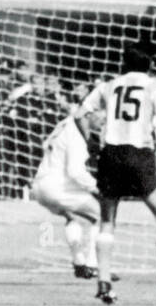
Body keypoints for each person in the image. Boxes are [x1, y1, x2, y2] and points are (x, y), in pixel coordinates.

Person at [76, 42, 156, 304]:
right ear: (150, 64)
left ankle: (104, 282)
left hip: (110, 155)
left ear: (124, 62)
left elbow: (79, 114)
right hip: (138, 155)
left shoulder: (108, 86)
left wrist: (90, 142)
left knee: (107, 220)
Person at [31, 110, 105, 279]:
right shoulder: (76, 136)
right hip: (58, 188)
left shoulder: (65, 123)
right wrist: (96, 188)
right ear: (88, 113)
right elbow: (75, 172)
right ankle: (93, 264)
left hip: (40, 185)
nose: (104, 121)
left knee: (74, 217)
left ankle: (79, 263)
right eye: (103, 116)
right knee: (103, 216)